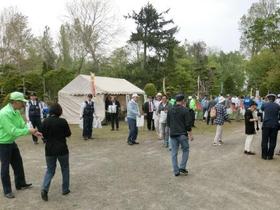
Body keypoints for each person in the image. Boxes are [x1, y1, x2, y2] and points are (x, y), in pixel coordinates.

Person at [0, 92, 40, 199]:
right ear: (15, 102)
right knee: (5, 167)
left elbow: (22, 124)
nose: (23, 104)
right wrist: (28, 131)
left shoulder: (16, 111)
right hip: (3, 143)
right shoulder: (4, 113)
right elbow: (12, 131)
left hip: (11, 142)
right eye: (22, 102)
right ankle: (7, 190)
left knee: (18, 163)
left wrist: (34, 132)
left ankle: (20, 184)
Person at [39, 103, 71, 201]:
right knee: (65, 169)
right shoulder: (63, 121)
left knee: (50, 170)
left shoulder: (45, 121)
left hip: (49, 149)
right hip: (62, 149)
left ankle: (44, 188)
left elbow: (42, 135)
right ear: (59, 111)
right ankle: (65, 189)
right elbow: (68, 134)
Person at [167, 94, 193, 176]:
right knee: (185, 150)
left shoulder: (170, 110)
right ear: (182, 101)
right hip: (182, 134)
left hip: (173, 134)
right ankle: (182, 167)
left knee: (174, 153)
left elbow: (168, 123)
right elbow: (188, 124)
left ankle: (176, 171)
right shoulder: (185, 110)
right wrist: (190, 135)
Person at [261, 94, 280, 160]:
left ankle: (264, 155)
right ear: (274, 99)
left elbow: (262, 109)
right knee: (273, 141)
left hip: (266, 124)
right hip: (275, 125)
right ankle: (270, 156)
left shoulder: (264, 104)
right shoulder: (277, 106)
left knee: (264, 141)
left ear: (268, 98)